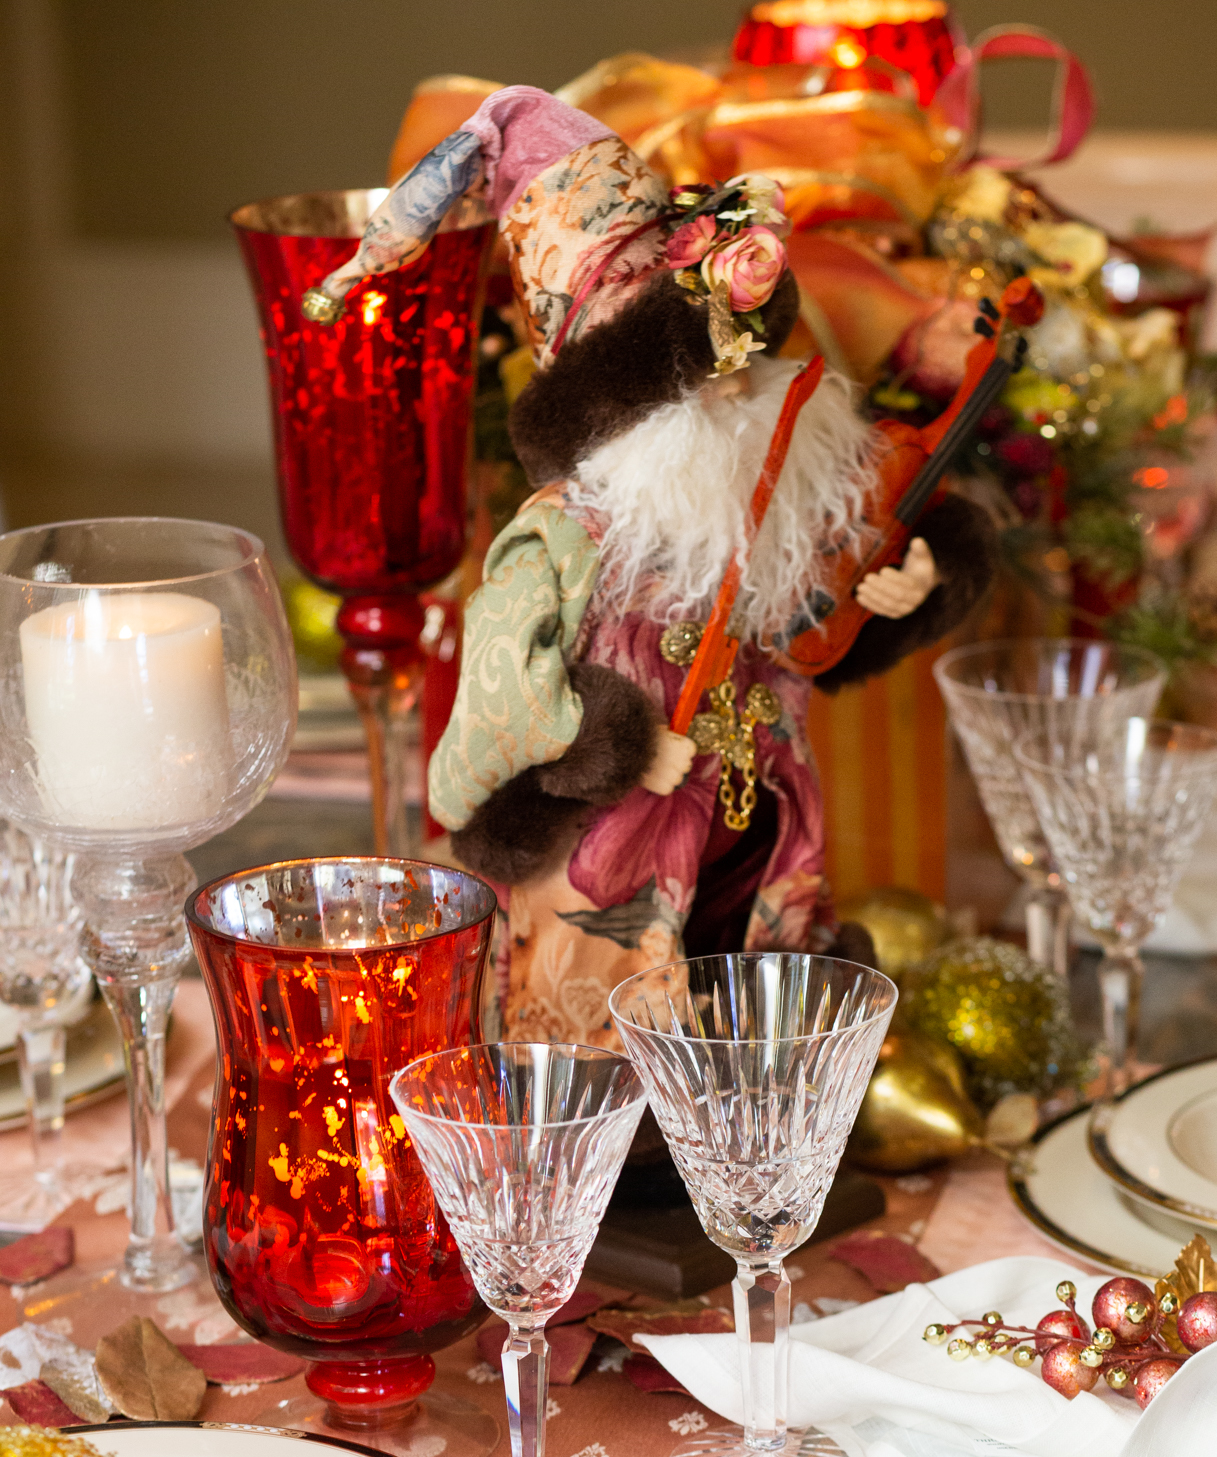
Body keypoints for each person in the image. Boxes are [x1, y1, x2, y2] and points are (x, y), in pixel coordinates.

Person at [305, 85, 995, 1043]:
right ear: (615, 405)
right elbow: (498, 694)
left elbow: (818, 617)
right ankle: (616, 1141)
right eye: (694, 380)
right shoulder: (563, 534)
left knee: (758, 990)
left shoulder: (770, 492)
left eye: (743, 366)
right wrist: (611, 742)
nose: (733, 394)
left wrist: (907, 587)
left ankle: (759, 1121)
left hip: (761, 807)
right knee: (624, 1002)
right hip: (622, 836)